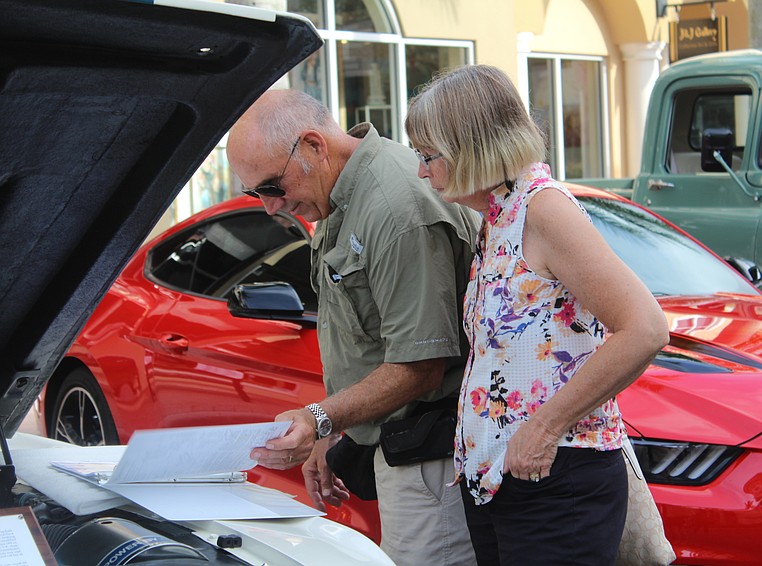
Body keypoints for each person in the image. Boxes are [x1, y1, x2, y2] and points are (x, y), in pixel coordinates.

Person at [405, 64, 670, 565]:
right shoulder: (497, 217)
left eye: (428, 156)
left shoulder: (543, 209)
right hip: (506, 481)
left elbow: (646, 328)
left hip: (556, 480)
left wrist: (546, 427)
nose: (422, 171)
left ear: (472, 147)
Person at [226, 89, 479, 566]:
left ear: (314, 146)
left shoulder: (396, 208)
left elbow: (420, 365)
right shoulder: (344, 196)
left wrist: (318, 417)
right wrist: (329, 432)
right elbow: (357, 335)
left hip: (433, 457)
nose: (270, 208)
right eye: (255, 193)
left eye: (272, 187)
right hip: (405, 451)